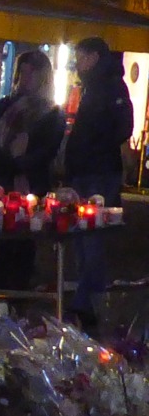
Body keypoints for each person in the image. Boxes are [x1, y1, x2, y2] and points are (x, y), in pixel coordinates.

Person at [0, 50, 66, 291]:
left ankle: (20, 290)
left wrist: (19, 164)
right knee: (3, 238)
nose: (25, 78)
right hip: (3, 180)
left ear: (43, 77)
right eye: (22, 72)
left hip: (31, 182)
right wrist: (2, 160)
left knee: (26, 238)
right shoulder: (7, 104)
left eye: (31, 72)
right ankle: (2, 288)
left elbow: (47, 150)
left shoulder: (53, 113)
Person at [63, 36, 134, 322]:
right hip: (89, 168)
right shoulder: (97, 86)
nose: (78, 63)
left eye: (81, 57)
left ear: (93, 56)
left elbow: (122, 127)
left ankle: (89, 299)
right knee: (84, 235)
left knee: (90, 235)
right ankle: (87, 296)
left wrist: (92, 146)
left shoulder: (108, 86)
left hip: (98, 170)